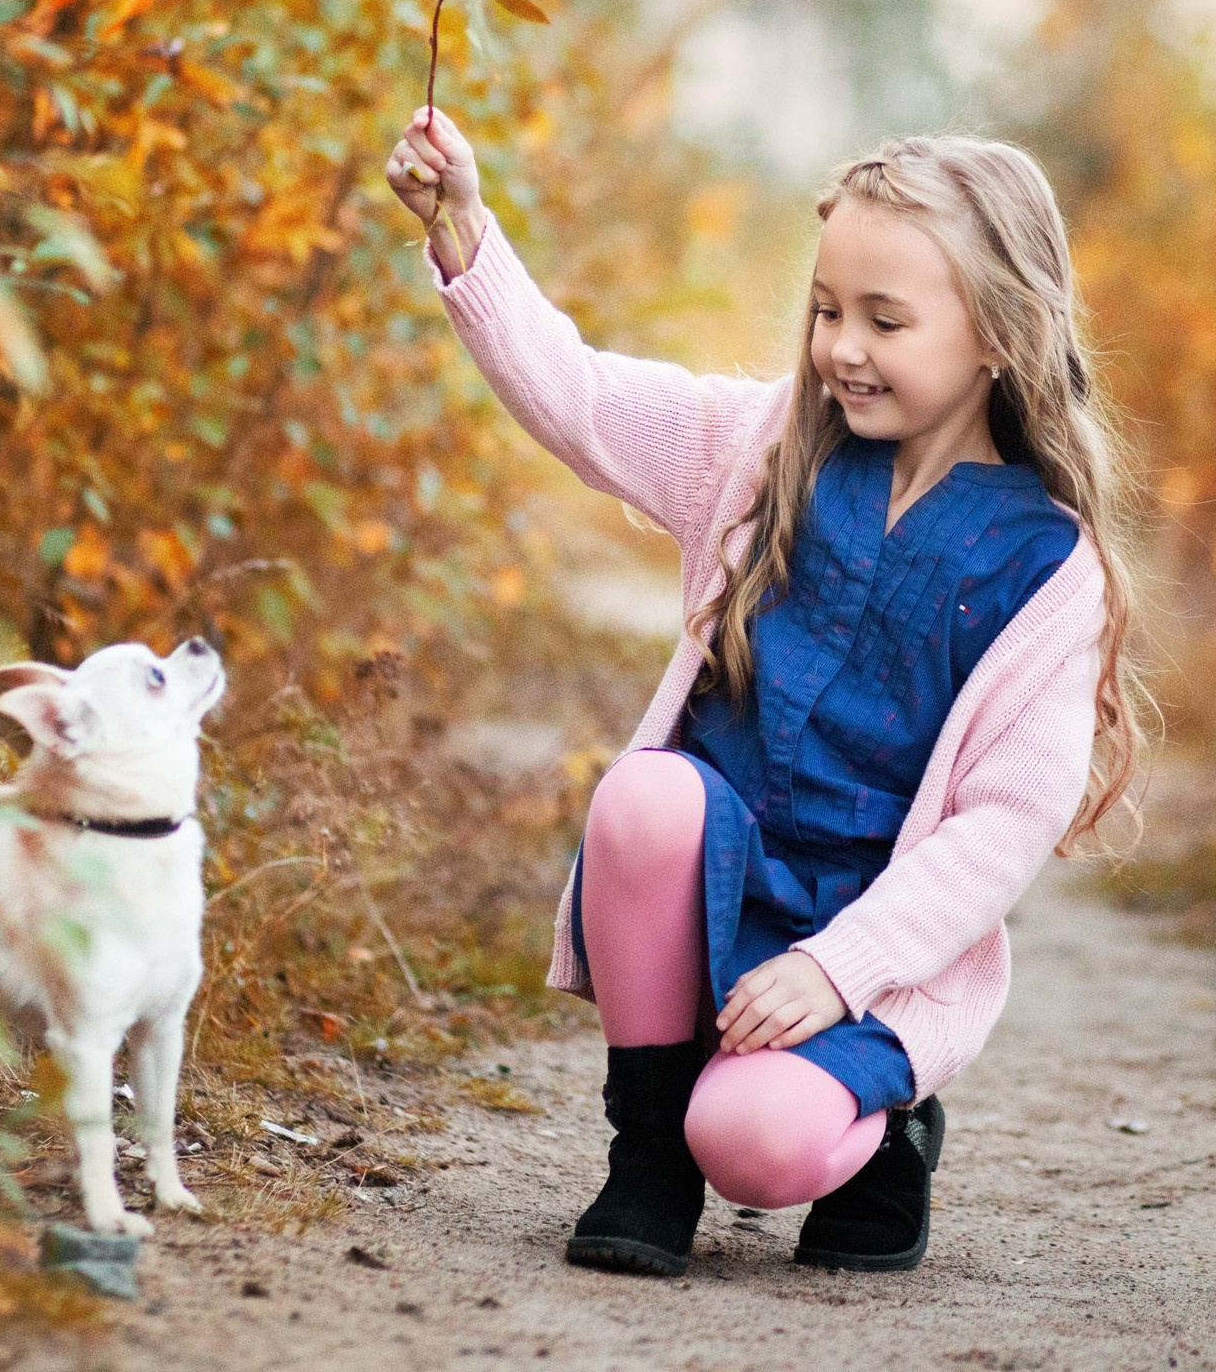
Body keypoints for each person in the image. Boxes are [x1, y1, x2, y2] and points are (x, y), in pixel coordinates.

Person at [383, 105, 1149, 1276]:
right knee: (643, 797)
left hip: (875, 952)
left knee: (748, 1140)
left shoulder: (1045, 570)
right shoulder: (765, 447)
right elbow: (580, 398)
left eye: (885, 320)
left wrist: (839, 967)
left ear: (998, 333)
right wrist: (466, 233)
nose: (842, 345)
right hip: (722, 886)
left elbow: (1004, 824)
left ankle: (882, 1127)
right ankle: (646, 1152)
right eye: (827, 310)